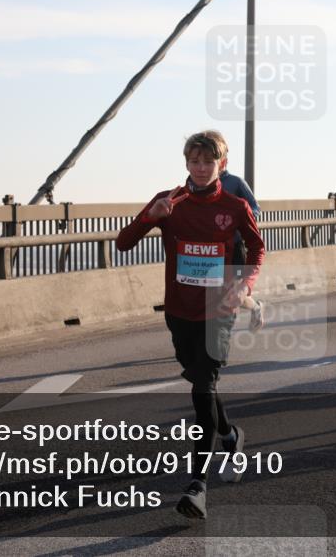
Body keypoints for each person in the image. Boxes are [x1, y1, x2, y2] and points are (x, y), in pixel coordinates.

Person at [116, 132, 265, 519]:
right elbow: (123, 242)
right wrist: (151, 218)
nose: (201, 168)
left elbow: (258, 247)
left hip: (219, 311)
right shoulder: (169, 201)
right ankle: (230, 436)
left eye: (208, 162)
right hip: (179, 310)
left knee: (204, 387)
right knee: (198, 377)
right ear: (186, 163)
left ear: (222, 165)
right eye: (194, 161)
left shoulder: (234, 206)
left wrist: (245, 285)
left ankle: (197, 486)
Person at [202, 130, 266, 333]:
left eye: (211, 157)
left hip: (235, 248)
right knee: (210, 293)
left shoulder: (235, 183)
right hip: (209, 250)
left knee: (232, 293)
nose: (204, 163)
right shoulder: (199, 183)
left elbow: (255, 208)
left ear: (223, 160)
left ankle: (253, 309)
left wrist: (237, 222)